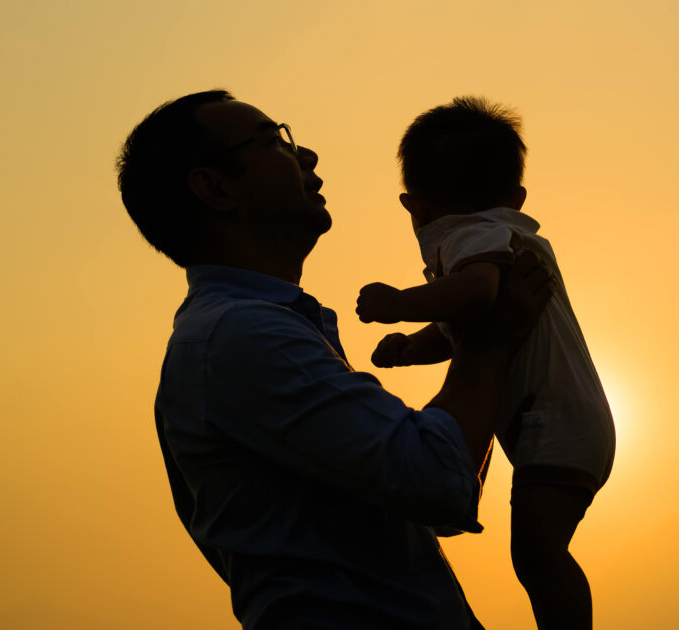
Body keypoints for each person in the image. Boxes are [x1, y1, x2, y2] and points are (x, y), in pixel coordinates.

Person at [115, 90, 554, 629]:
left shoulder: (247, 334)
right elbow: (438, 482)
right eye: (274, 140)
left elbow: (433, 487)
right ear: (215, 188)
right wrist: (487, 344)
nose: (307, 156)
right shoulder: (244, 336)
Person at [355, 96, 617, 629]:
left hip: (556, 426)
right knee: (539, 553)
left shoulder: (467, 236)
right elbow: (469, 321)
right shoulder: (502, 236)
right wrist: (415, 346)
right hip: (569, 424)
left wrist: (399, 304)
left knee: (537, 554)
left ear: (416, 207)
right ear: (517, 194)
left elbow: (474, 293)